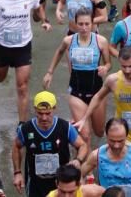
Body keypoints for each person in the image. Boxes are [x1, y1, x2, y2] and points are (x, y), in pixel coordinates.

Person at [43, 9, 111, 149]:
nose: (84, 27)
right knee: (85, 134)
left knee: (99, 131)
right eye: (81, 24)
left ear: (92, 23)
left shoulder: (101, 41)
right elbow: (59, 52)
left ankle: (80, 121)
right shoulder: (69, 40)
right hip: (76, 92)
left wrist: (105, 68)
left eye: (87, 24)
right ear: (75, 24)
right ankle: (85, 168)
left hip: (97, 92)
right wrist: (50, 72)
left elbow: (108, 62)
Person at [11, 91, 87, 197]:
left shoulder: (65, 127)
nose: (44, 118)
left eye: (48, 113)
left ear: (54, 108)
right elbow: (16, 146)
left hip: (61, 184)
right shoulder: (26, 129)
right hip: (35, 183)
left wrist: (78, 160)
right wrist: (17, 173)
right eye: (40, 113)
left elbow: (82, 145)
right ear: (35, 110)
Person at [81, 118, 131, 196]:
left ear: (127, 136)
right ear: (106, 136)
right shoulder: (97, 155)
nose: (116, 145)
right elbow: (80, 175)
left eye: (120, 141)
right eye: (112, 141)